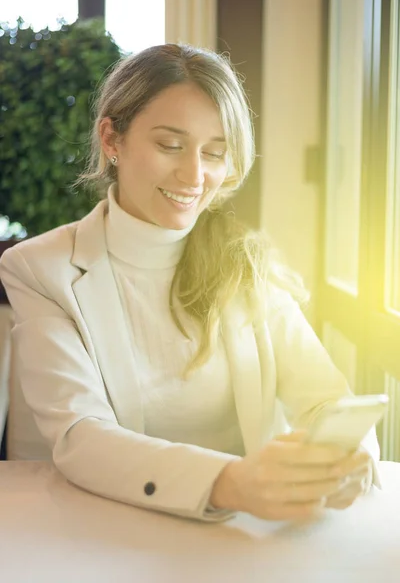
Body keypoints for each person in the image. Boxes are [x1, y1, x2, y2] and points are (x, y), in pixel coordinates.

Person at [0, 43, 380, 523]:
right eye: (170, 145)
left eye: (215, 153)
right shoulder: (40, 269)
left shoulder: (245, 263)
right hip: (111, 535)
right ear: (111, 140)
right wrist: (228, 484)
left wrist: (349, 459)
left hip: (245, 541)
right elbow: (81, 434)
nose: (195, 175)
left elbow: (326, 397)